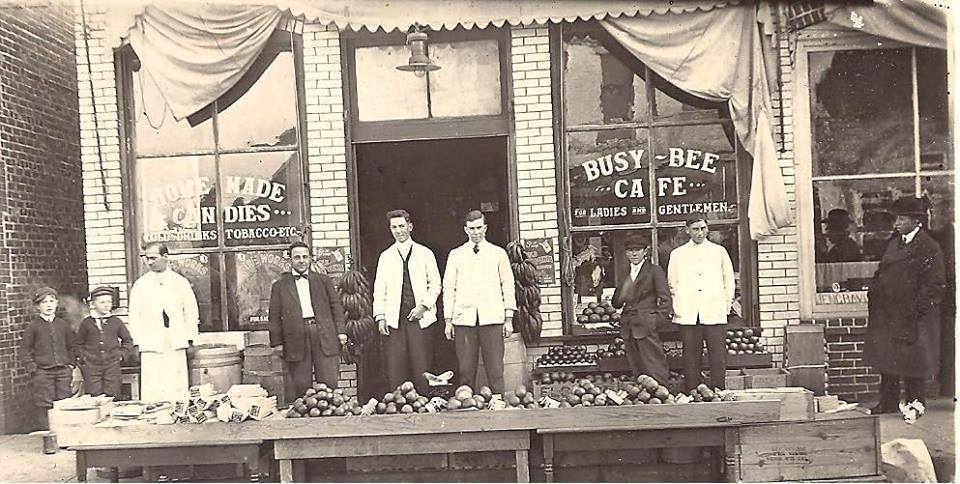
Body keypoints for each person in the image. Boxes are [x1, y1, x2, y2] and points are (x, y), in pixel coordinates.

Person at [864, 197, 945, 414]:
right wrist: (875, 288)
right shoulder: (895, 243)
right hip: (890, 313)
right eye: (896, 218)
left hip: (913, 315)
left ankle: (914, 403)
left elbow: (935, 284)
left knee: (913, 361)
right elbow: (882, 272)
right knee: (888, 359)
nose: (896, 223)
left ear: (916, 221)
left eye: (901, 218)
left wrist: (917, 310)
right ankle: (888, 402)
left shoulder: (929, 247)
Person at [443, 210, 516, 393]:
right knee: (466, 369)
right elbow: (449, 288)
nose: (475, 232)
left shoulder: (498, 254)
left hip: (492, 317)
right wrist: (448, 320)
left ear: (485, 228)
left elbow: (508, 285)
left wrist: (509, 319)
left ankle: (498, 402)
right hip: (464, 319)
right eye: (471, 229)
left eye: (478, 228)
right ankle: (468, 406)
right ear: (465, 230)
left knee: (495, 368)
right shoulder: (456, 255)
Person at [373, 209, 442, 394]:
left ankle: (425, 404)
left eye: (402, 226)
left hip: (420, 317)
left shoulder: (425, 253)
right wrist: (381, 317)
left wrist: (424, 306)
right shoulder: (386, 256)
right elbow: (380, 289)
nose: (398, 230)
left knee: (422, 365)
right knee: (396, 366)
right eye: (394, 227)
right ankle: (398, 405)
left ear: (410, 227)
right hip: (395, 318)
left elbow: (435, 284)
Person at [269, 241, 347, 399]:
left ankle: (331, 418)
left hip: (323, 334)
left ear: (310, 258)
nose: (301, 260)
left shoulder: (323, 281)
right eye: (297, 257)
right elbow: (274, 317)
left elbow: (336, 307)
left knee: (329, 382)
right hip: (295, 337)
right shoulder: (280, 286)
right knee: (301, 384)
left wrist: (341, 331)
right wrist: (276, 343)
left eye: (305, 256)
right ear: (290, 259)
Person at [668, 213, 736, 390]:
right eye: (695, 229)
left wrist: (726, 306)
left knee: (717, 355)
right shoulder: (678, 254)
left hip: (714, 310)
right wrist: (678, 307)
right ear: (687, 231)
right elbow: (672, 283)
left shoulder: (719, 252)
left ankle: (718, 390)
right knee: (691, 355)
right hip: (689, 312)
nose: (700, 233)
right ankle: (693, 391)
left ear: (708, 228)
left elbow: (729, 281)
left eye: (703, 228)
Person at [128, 242, 199, 402]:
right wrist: (136, 342)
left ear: (165, 257)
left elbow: (191, 312)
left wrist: (191, 339)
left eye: (153, 258)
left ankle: (177, 414)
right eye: (147, 259)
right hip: (151, 341)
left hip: (175, 339)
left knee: (176, 384)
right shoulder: (141, 285)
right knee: (153, 384)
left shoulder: (180, 282)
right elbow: (134, 315)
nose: (149, 262)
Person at [611, 234, 672, 384]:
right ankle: (643, 399)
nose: (634, 253)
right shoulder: (625, 272)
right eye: (630, 250)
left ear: (645, 251)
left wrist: (655, 321)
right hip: (628, 326)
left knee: (654, 365)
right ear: (625, 253)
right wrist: (623, 289)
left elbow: (665, 299)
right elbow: (616, 303)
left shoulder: (654, 270)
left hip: (646, 324)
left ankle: (662, 396)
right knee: (636, 367)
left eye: (637, 250)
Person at [22, 286, 75, 430]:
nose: (49, 305)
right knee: (45, 404)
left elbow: (72, 346)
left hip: (63, 371)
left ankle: (65, 435)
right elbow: (25, 350)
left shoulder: (63, 325)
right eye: (44, 302)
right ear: (38, 307)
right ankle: (49, 437)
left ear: (57, 303)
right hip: (43, 372)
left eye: (52, 301)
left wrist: (71, 364)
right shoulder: (33, 327)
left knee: (64, 402)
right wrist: (33, 369)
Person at [72, 286, 134, 398]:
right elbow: (78, 344)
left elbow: (128, 341)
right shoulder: (87, 323)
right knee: (94, 396)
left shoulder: (116, 322)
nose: (106, 305)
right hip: (92, 368)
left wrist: (122, 355)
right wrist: (84, 357)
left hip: (112, 366)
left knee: (112, 395)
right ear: (94, 304)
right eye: (102, 302)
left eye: (109, 301)